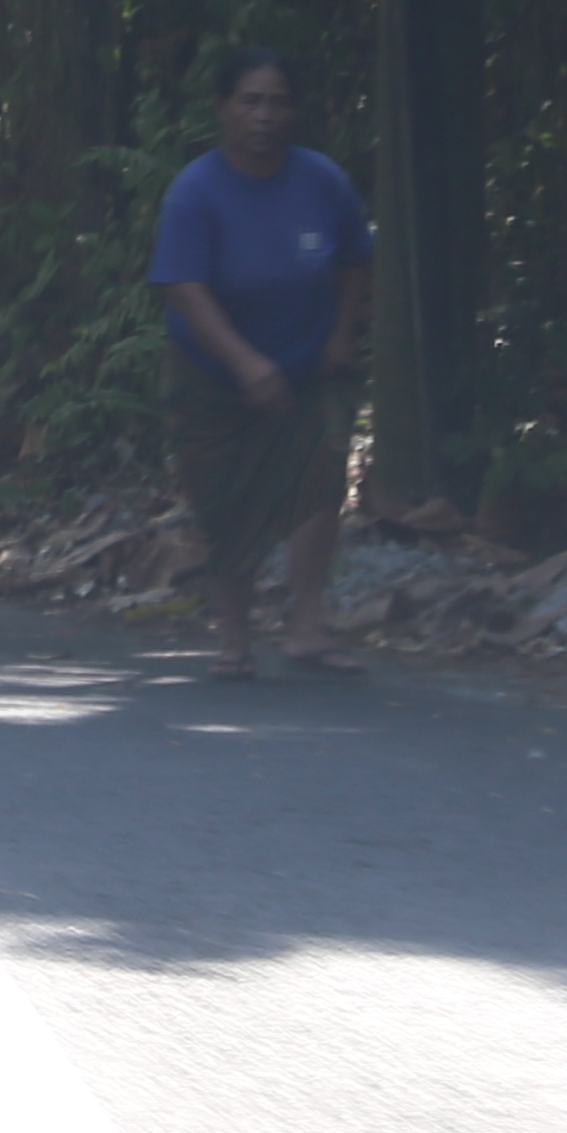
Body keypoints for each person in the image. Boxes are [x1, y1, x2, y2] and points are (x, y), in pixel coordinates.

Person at [148, 47, 373, 679]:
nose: (264, 116)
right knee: (226, 500)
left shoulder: (321, 180)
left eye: (277, 102)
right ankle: (234, 638)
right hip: (211, 373)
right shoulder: (196, 192)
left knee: (318, 488)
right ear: (222, 109)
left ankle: (306, 628)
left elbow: (356, 256)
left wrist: (341, 333)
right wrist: (245, 364)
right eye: (249, 100)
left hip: (309, 364)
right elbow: (185, 288)